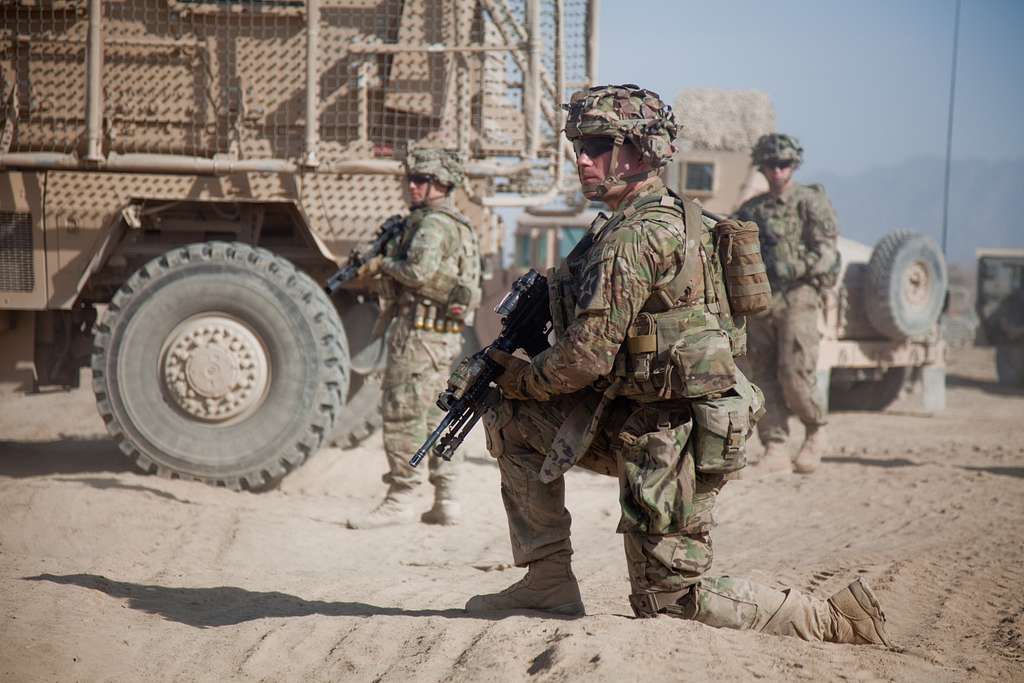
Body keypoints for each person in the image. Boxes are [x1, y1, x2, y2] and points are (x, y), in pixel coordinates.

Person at [465, 84, 891, 647]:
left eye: (598, 146)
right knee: (510, 418)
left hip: (675, 435)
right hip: (643, 417)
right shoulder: (670, 217)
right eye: (579, 146)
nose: (583, 159)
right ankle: (547, 581)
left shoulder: (633, 238)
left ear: (641, 153)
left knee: (669, 600)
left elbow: (585, 357)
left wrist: (520, 375)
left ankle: (832, 621)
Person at [346, 148, 481, 529]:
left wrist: (382, 263)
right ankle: (446, 498)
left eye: (422, 180)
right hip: (440, 336)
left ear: (443, 184)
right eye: (411, 178)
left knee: (404, 410)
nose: (413, 186)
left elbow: (419, 273)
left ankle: (400, 497)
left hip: (420, 335)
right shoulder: (458, 223)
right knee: (438, 412)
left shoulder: (433, 225)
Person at [736, 133, 840, 475]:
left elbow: (827, 252)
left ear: (793, 166)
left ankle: (815, 429)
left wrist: (797, 267)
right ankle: (776, 444)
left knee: (795, 372)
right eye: (770, 165)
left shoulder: (809, 202)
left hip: (799, 296)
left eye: (783, 164)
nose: (777, 171)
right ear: (762, 168)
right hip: (762, 299)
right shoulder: (752, 210)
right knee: (762, 374)